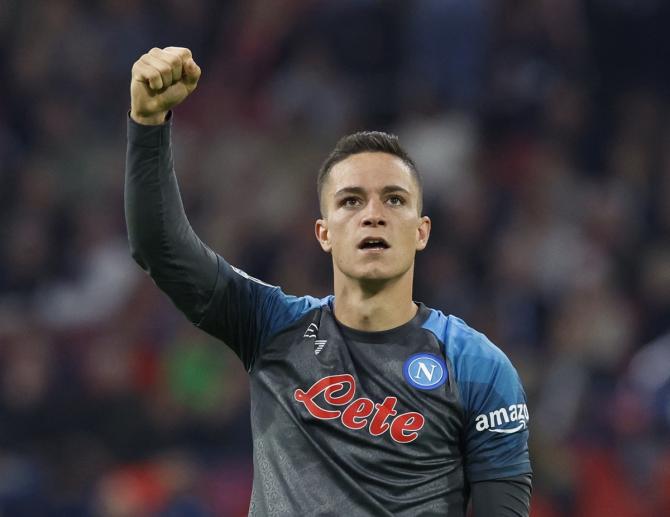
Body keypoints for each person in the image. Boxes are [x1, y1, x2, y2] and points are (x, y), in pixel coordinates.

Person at [125, 46, 532, 516]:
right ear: (324, 233)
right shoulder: (272, 325)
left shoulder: (478, 366)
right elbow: (161, 248)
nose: (373, 215)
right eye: (351, 201)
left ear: (422, 232)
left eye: (394, 200)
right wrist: (148, 124)